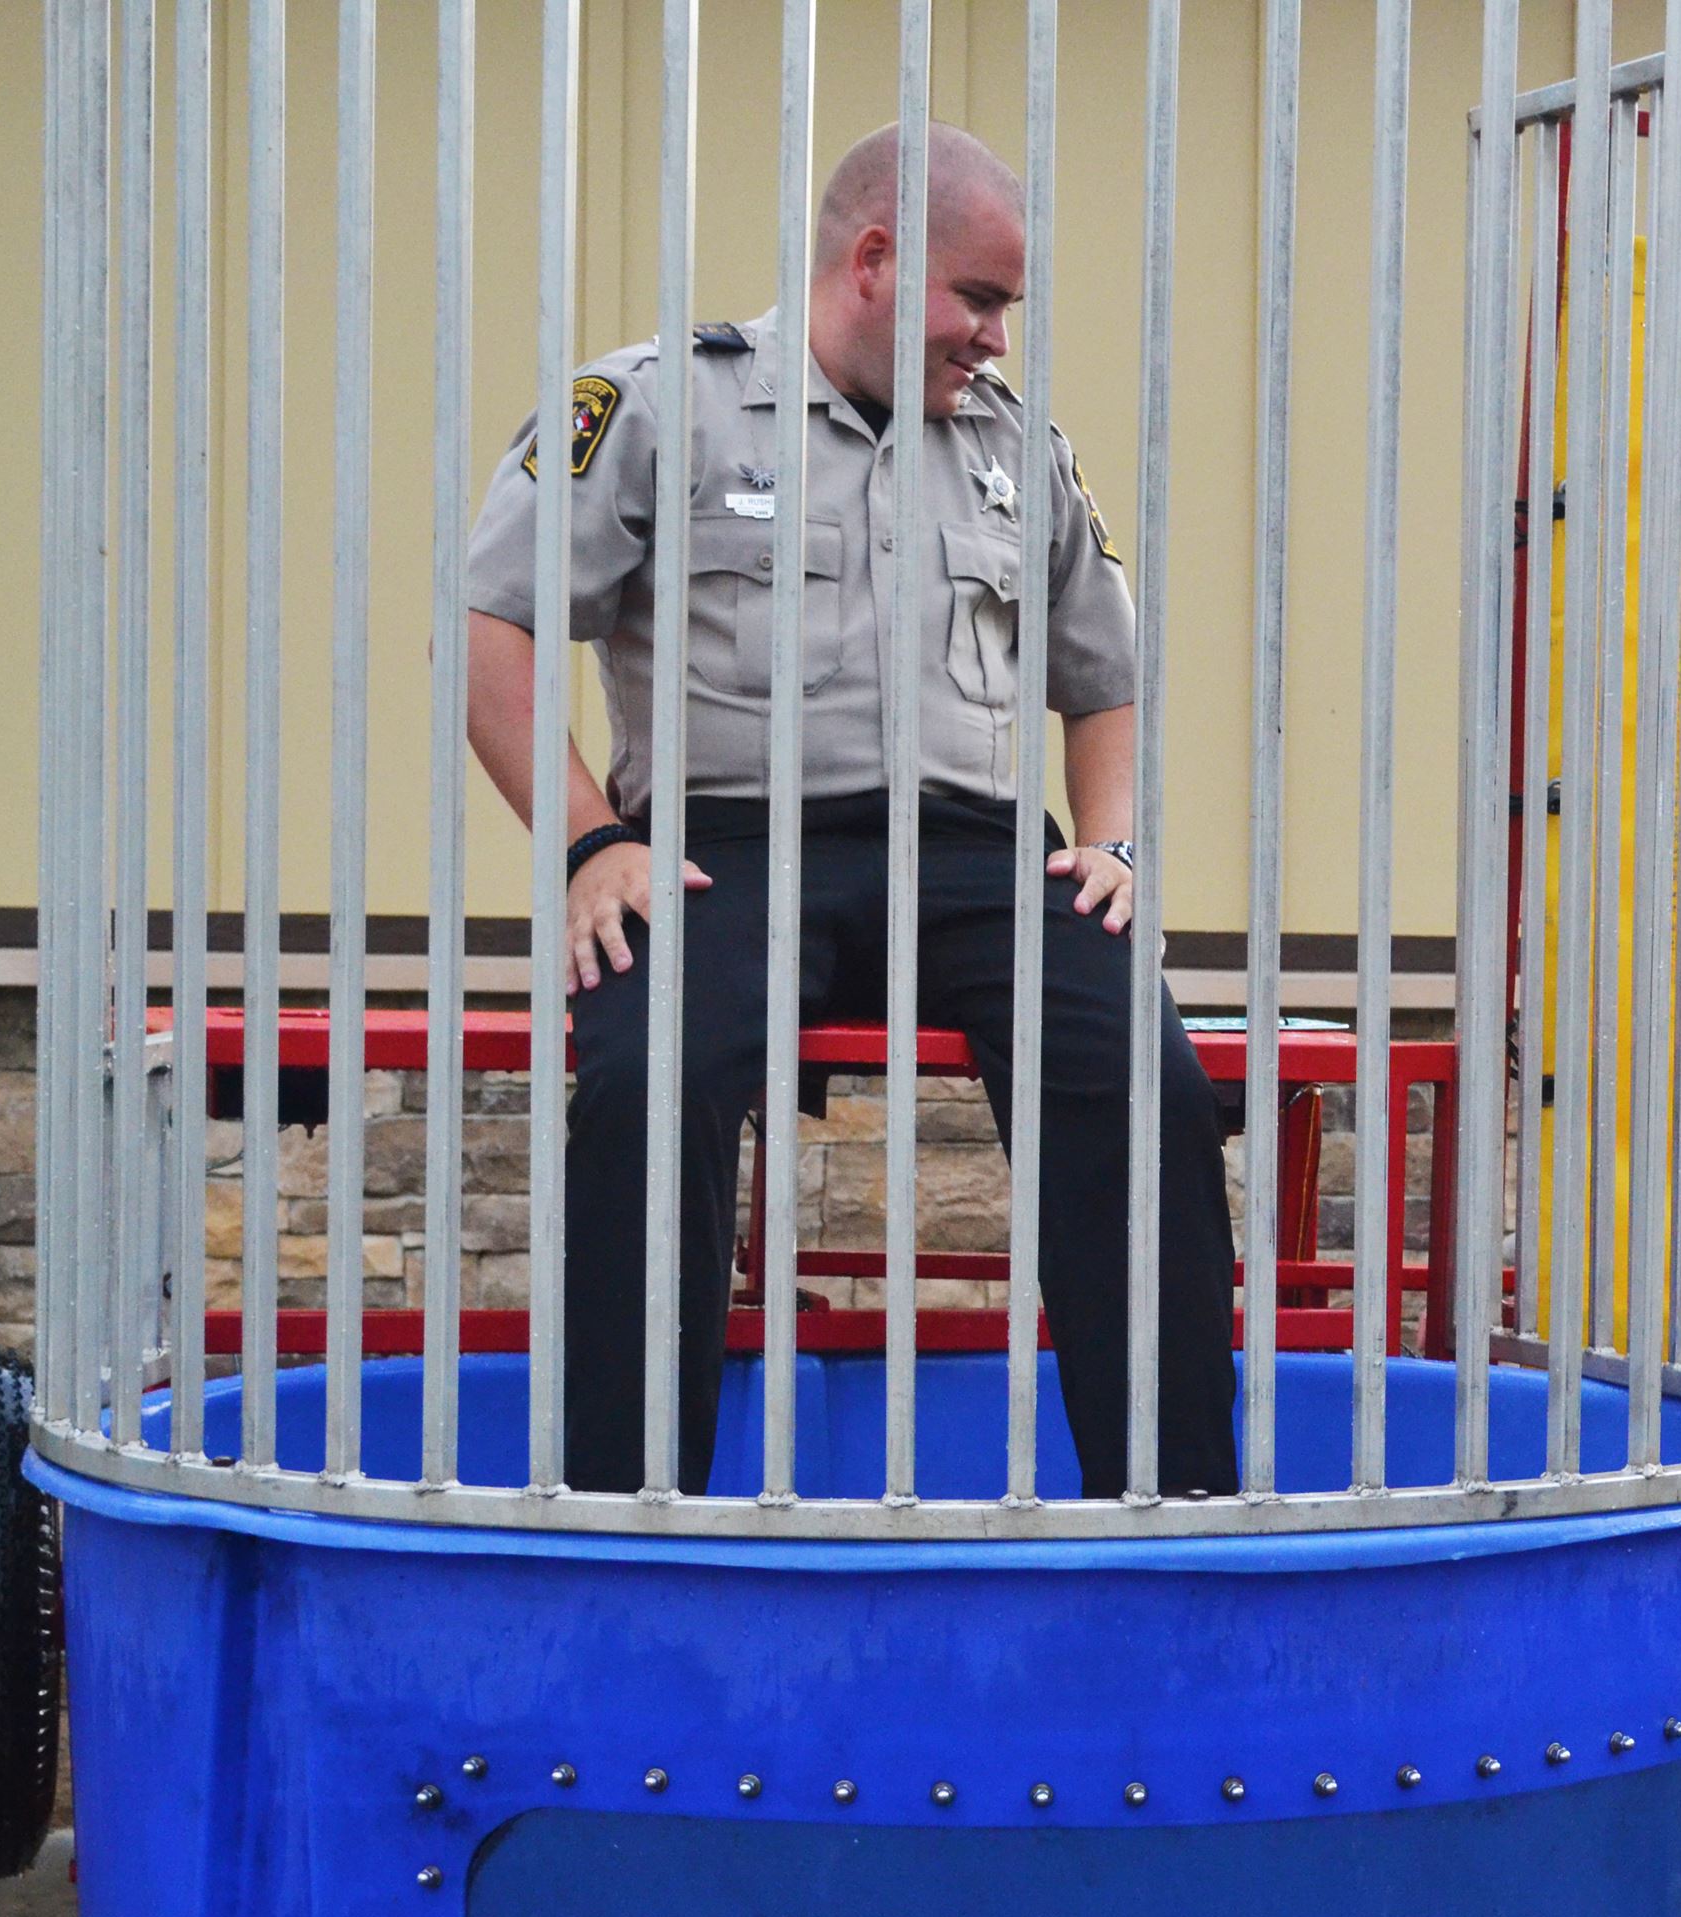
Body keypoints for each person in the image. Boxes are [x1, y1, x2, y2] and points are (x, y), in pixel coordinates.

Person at [464, 121, 1239, 1500]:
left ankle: (1171, 1513)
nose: (996, 338)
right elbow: (490, 634)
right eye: (981, 300)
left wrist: (1110, 839)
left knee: (1150, 1085)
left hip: (974, 852)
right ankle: (628, 1511)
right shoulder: (658, 405)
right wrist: (593, 844)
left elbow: (1101, 669)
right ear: (875, 258)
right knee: (653, 1079)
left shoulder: (1018, 446)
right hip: (730, 846)